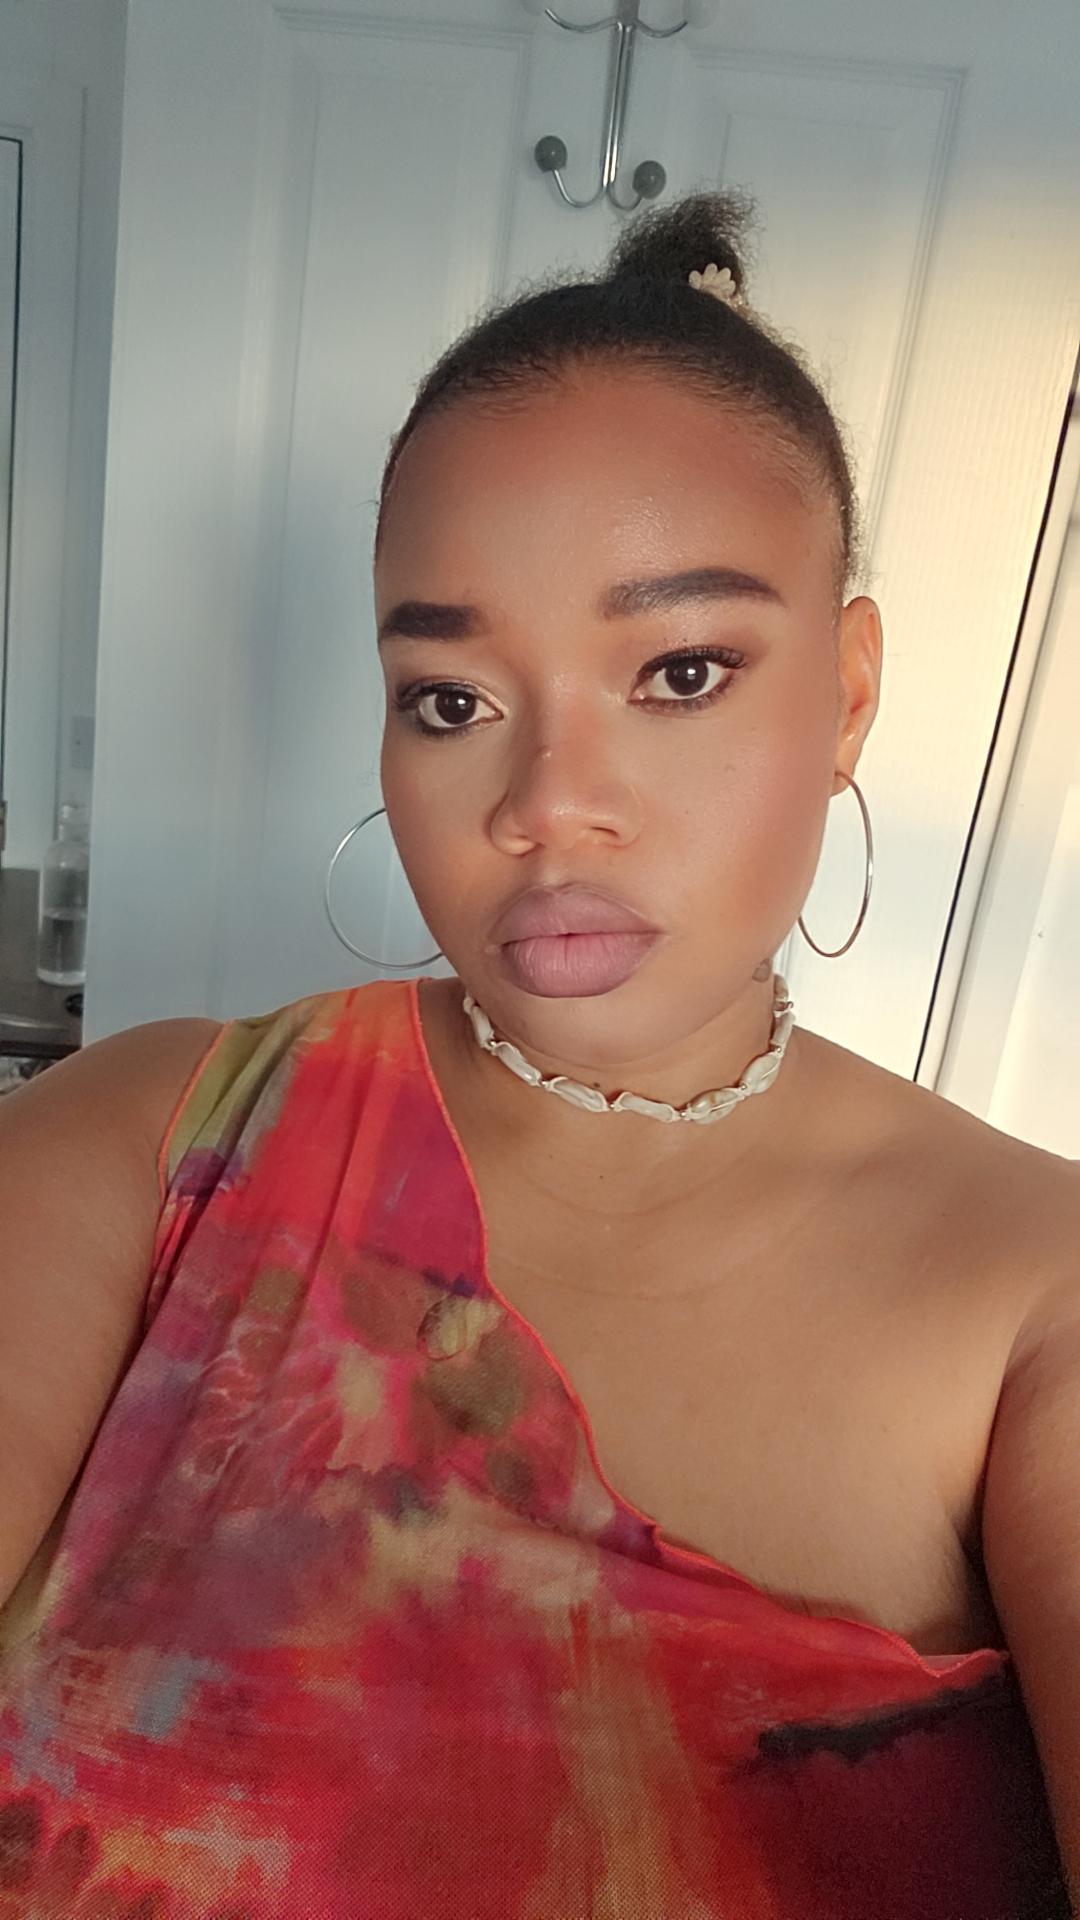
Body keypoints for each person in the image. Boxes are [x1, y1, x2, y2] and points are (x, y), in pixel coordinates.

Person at [0, 188, 1074, 1917]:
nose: (546, 806)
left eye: (681, 670)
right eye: (453, 700)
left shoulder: (1041, 1300)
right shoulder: (154, 1138)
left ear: (851, 692)